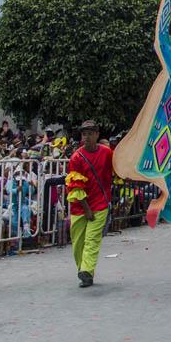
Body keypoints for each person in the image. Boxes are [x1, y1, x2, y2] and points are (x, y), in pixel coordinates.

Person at [65, 120, 113, 288]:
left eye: (90, 133)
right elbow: (75, 187)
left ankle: (86, 269)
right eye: (84, 134)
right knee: (78, 243)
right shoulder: (76, 158)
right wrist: (86, 209)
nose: (86, 137)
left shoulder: (107, 153)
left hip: (100, 203)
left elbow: (118, 169)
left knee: (92, 239)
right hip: (80, 206)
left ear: (97, 135)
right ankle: (86, 272)